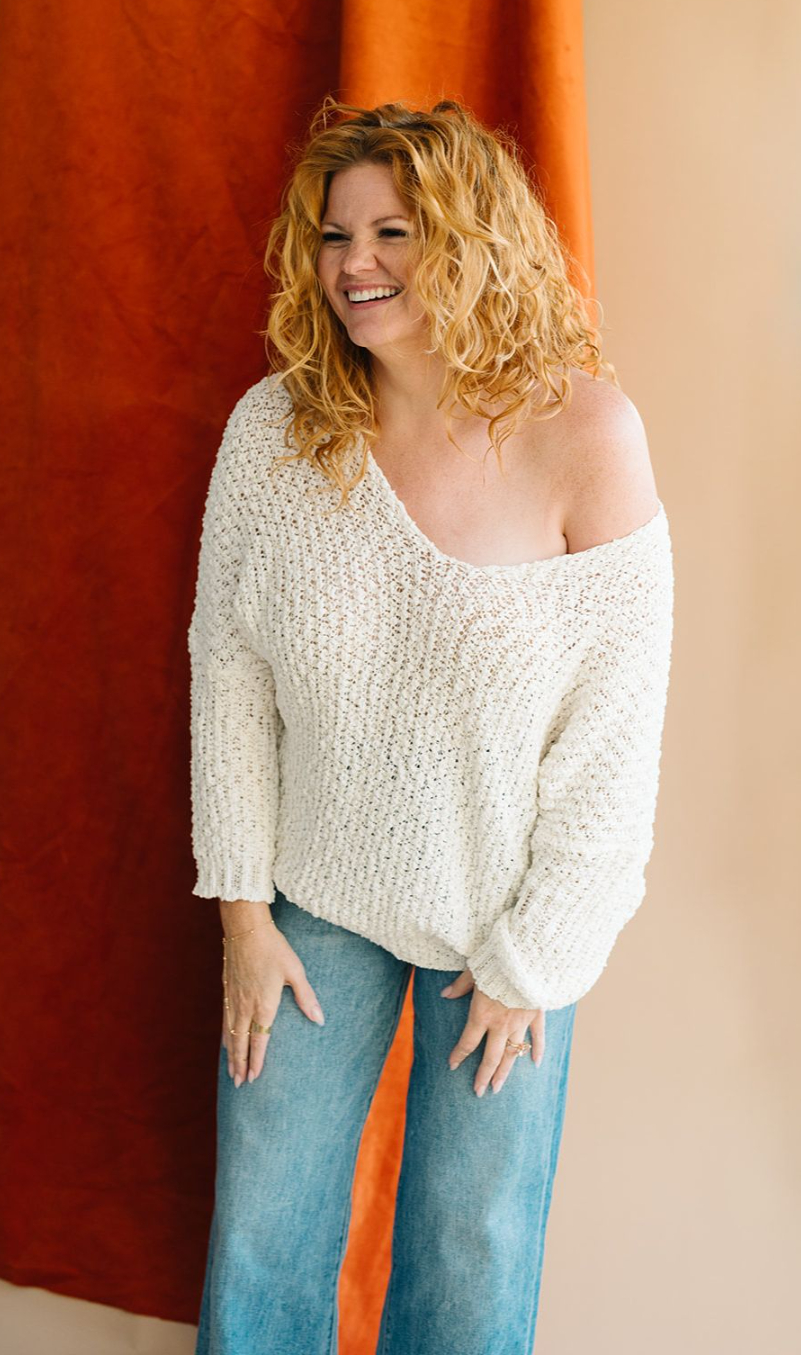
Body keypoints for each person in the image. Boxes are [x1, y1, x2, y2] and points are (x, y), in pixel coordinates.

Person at [187, 96, 674, 1355]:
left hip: (503, 933)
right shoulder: (275, 432)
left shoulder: (586, 436)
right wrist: (242, 916)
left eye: (393, 230)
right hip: (310, 906)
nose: (354, 263)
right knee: (261, 1242)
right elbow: (228, 672)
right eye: (334, 234)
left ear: (472, 237)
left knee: (471, 1262)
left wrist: (538, 961)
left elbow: (614, 735)